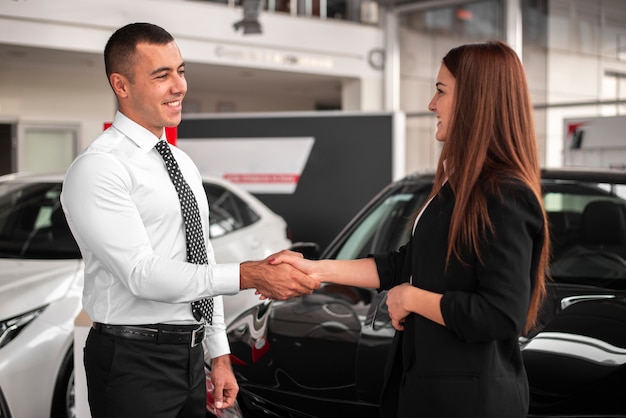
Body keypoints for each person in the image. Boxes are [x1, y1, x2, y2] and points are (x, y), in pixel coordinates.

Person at [270, 41, 550, 418]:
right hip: (431, 394)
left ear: (475, 99)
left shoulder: (504, 195)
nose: (432, 104)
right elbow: (408, 264)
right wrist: (315, 269)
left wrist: (411, 299)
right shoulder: (458, 186)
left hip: (470, 404)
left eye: (440, 90)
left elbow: (500, 315)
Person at [60, 22, 319, 418]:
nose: (179, 86)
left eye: (180, 71)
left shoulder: (181, 163)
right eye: (161, 75)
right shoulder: (100, 168)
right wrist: (248, 275)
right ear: (121, 84)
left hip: (191, 356)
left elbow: (201, 256)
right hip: (132, 362)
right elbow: (141, 275)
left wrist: (217, 353)